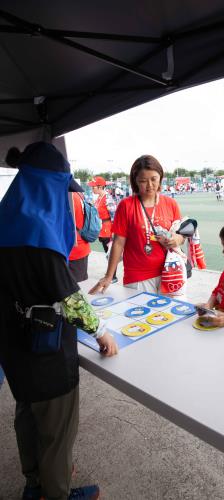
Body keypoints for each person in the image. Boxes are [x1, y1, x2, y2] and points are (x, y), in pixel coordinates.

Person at [0, 142, 118, 500]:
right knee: (56, 430)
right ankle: (56, 494)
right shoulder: (39, 233)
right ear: (50, 186)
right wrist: (100, 332)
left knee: (28, 416)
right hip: (46, 351)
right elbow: (68, 297)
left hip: (13, 344)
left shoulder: (6, 220)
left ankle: (34, 485)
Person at [89, 155, 185, 295]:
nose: (150, 185)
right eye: (143, 181)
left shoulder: (171, 204)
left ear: (160, 178)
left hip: (170, 273)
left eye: (154, 179)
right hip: (138, 278)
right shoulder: (126, 206)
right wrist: (109, 276)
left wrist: (178, 239)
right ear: (135, 182)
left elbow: (180, 234)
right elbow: (118, 243)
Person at [87, 176, 117, 283]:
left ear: (100, 187)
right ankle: (110, 274)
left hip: (108, 229)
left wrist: (114, 232)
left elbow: (114, 216)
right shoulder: (99, 197)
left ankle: (112, 276)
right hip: (102, 229)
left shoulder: (107, 198)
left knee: (110, 253)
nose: (92, 189)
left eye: (93, 187)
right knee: (107, 252)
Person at [69, 192, 91, 282]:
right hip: (81, 246)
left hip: (73, 250)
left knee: (73, 289)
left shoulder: (68, 196)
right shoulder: (78, 194)